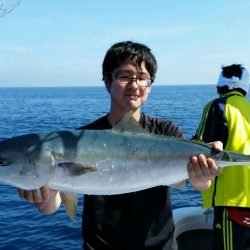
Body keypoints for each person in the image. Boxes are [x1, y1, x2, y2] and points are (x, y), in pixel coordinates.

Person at [19, 41, 222, 250]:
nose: (134, 85)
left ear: (149, 86)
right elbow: (51, 206)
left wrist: (204, 171)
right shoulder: (79, 138)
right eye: (125, 76)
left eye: (143, 78)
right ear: (108, 81)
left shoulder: (165, 131)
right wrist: (41, 196)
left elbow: (201, 184)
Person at [193, 64, 250, 250]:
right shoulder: (247, 109)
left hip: (230, 202)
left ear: (220, 85)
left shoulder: (217, 106)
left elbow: (197, 148)